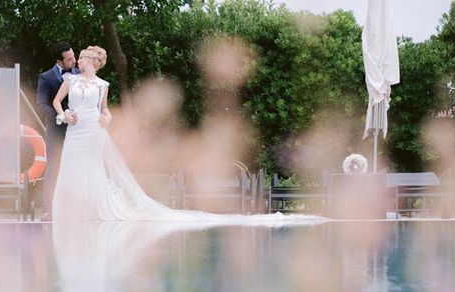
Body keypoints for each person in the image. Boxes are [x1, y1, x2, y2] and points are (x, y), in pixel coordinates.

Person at [50, 46, 320, 224]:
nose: (80, 59)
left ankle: (92, 211)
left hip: (94, 131)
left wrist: (106, 119)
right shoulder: (70, 81)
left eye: (84, 56)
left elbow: (105, 111)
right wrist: (64, 116)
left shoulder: (103, 85)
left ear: (94, 62)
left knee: (93, 169)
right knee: (73, 166)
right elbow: (56, 102)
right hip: (76, 130)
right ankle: (69, 211)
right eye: (80, 56)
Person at [36, 42, 79, 221]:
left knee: (76, 169)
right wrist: (61, 117)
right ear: (59, 61)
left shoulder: (80, 74)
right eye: (69, 59)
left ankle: (73, 208)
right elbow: (42, 105)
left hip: (77, 131)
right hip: (56, 131)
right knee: (53, 169)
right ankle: (48, 210)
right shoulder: (46, 78)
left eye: (74, 56)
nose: (74, 61)